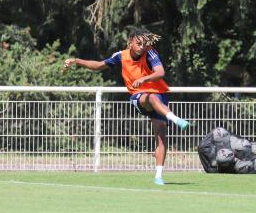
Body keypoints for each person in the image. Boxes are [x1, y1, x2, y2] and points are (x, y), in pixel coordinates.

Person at [65, 27, 189, 185]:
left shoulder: (150, 53)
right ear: (130, 42)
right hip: (139, 96)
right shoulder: (121, 56)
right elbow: (97, 65)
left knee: (161, 137)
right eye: (138, 43)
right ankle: (175, 118)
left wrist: (144, 79)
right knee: (150, 98)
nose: (142, 47)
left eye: (144, 44)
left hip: (159, 95)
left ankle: (158, 176)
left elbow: (160, 72)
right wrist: (76, 61)